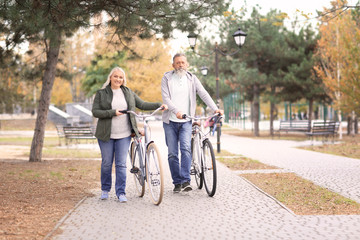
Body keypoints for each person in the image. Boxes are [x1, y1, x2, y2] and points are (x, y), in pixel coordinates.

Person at [92, 66, 167, 202]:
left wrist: (159, 105)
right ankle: (105, 189)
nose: (118, 79)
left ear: (123, 79)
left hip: (124, 134)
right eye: (116, 76)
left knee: (121, 164)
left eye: (121, 77)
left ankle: (121, 192)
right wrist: (112, 112)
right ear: (110, 77)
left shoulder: (128, 93)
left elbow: (142, 104)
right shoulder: (102, 93)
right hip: (106, 134)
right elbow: (95, 112)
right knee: (107, 163)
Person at [161, 53, 223, 193]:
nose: (180, 65)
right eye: (178, 63)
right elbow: (166, 98)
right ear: (173, 65)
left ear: (187, 64)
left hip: (187, 121)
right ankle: (177, 182)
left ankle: (185, 181)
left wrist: (215, 108)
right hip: (170, 121)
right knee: (172, 154)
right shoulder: (166, 78)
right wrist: (176, 110)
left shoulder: (192, 78)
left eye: (183, 62)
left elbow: (203, 93)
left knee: (185, 149)